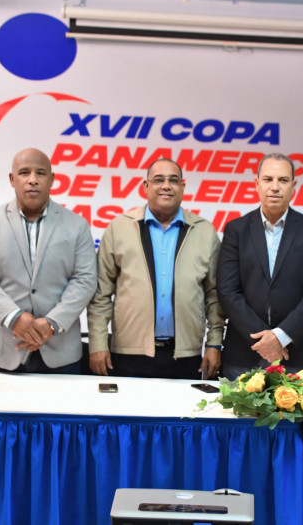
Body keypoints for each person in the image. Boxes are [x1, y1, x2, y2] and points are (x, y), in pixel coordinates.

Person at [87, 158, 224, 379]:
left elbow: (214, 296)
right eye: (158, 180)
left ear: (183, 187)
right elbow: (100, 295)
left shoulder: (204, 232)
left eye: (173, 180)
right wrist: (98, 344)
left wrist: (214, 344)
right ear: (146, 186)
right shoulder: (119, 228)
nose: (166, 186)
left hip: (186, 357)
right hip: (128, 354)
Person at [0, 148, 97, 374]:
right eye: (24, 173)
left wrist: (52, 323)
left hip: (61, 352)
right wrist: (14, 317)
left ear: (52, 179)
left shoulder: (77, 225)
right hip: (3, 350)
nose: (33, 180)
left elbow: (85, 280)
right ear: (12, 179)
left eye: (41, 173)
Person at [217, 153, 303, 379]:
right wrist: (264, 340)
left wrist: (281, 336)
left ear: (293, 186)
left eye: (283, 180)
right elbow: (228, 290)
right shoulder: (235, 230)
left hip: (297, 355)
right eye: (268, 180)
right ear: (256, 184)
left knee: (297, 415)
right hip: (244, 354)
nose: (275, 187)